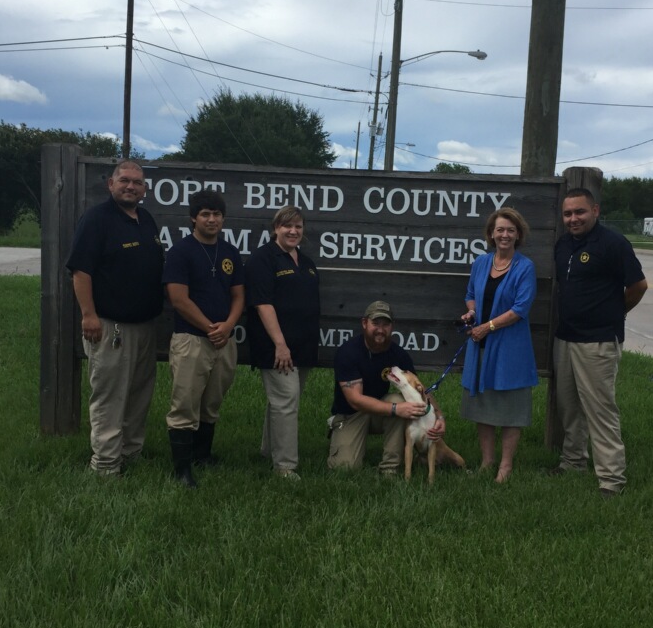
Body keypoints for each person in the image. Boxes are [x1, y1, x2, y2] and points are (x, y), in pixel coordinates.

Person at [66, 159, 164, 475]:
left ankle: (130, 454)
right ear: (111, 184)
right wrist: (89, 315)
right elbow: (81, 272)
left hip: (145, 325)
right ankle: (106, 464)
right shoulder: (96, 220)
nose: (130, 186)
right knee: (110, 396)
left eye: (137, 182)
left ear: (144, 189)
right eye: (124, 180)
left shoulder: (146, 220)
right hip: (109, 326)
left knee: (138, 394)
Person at [552, 187, 647, 496]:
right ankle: (573, 462)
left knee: (600, 409)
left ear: (595, 210)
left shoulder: (613, 244)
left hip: (598, 341)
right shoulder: (563, 245)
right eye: (568, 213)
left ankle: (611, 479)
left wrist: (614, 312)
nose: (573, 219)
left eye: (579, 212)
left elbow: (638, 286)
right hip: (565, 337)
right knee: (569, 408)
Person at [162, 190, 245, 488]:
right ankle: (182, 470)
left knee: (211, 404)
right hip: (191, 340)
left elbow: (239, 295)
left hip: (224, 340)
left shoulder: (230, 252)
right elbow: (178, 299)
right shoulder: (180, 252)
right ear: (193, 219)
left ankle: (202, 456)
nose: (212, 219)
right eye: (205, 214)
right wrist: (212, 327)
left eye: (217, 214)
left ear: (223, 218)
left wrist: (229, 325)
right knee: (185, 405)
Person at [460, 207, 538, 482]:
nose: (505, 235)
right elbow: (471, 294)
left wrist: (488, 326)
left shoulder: (525, 267)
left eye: (511, 230)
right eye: (500, 230)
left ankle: (505, 466)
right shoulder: (481, 263)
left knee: (510, 408)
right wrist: (471, 312)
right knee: (483, 405)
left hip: (510, 349)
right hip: (480, 345)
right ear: (491, 234)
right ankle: (486, 461)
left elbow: (520, 308)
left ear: (518, 235)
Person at [244, 206, 320, 481]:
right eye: (287, 225)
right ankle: (285, 466)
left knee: (283, 401)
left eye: (298, 226)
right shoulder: (262, 259)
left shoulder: (307, 263)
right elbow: (263, 304)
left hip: (303, 347)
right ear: (275, 228)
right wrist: (280, 344)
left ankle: (268, 450)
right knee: (286, 401)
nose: (293, 231)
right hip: (276, 347)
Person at [328, 300, 445, 475]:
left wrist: (439, 416)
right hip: (350, 415)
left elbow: (420, 389)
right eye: (375, 323)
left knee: (401, 401)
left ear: (392, 326)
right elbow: (355, 400)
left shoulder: (398, 354)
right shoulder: (348, 352)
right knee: (344, 468)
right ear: (364, 323)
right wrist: (395, 408)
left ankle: (391, 468)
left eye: (386, 324)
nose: (381, 329)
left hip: (381, 413)